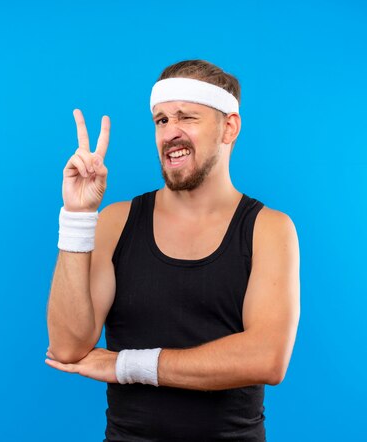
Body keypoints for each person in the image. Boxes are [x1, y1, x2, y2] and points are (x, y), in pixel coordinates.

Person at [45, 59, 301, 441]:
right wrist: (77, 217)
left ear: (229, 127)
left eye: (187, 117)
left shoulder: (269, 229)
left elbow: (267, 358)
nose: (171, 133)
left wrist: (126, 365)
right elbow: (67, 348)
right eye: (161, 120)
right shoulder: (116, 223)